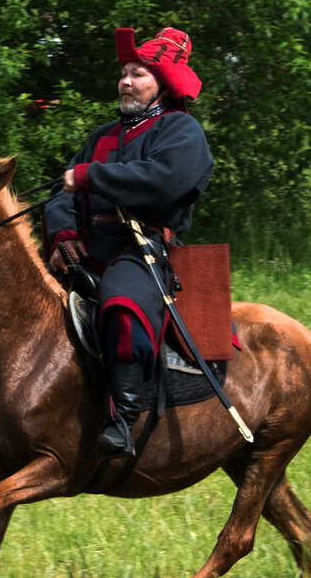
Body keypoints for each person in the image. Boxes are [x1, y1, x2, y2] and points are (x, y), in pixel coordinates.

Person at [44, 27, 213, 457]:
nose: (126, 81)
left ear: (162, 85)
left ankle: (121, 420)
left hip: (142, 249)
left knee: (122, 302)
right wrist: (64, 237)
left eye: (138, 73)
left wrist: (90, 177)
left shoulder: (182, 131)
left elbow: (163, 182)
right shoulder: (100, 136)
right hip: (86, 248)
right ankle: (11, 433)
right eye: (124, 72)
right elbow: (59, 194)